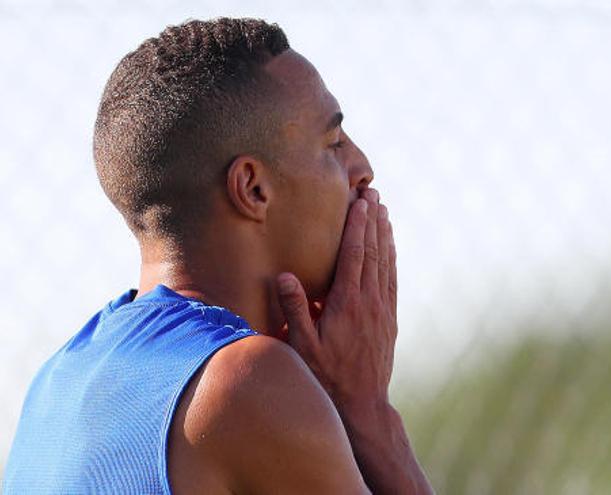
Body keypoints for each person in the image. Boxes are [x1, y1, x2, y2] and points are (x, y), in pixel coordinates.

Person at [3, 17, 433, 494]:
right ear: (252, 188)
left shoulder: (57, 378)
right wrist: (367, 408)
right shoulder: (245, 381)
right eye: (333, 144)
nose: (363, 170)